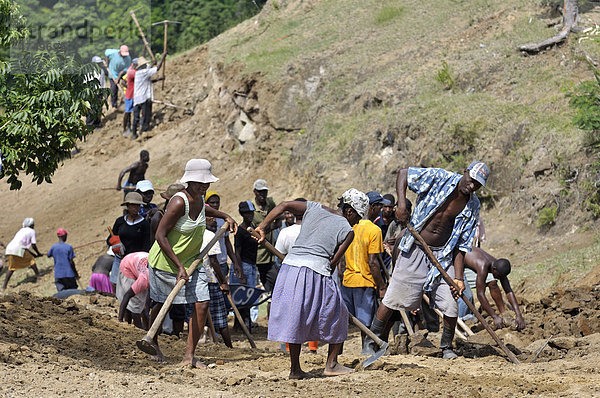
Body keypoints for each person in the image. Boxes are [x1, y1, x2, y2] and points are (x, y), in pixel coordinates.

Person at [367, 161, 489, 359]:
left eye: (478, 185)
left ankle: (446, 347)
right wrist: (401, 204)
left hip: (442, 254)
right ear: (465, 172)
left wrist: (458, 277)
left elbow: (461, 245)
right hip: (415, 245)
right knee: (392, 299)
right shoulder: (440, 178)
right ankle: (372, 342)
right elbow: (404, 173)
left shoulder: (473, 205)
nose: (472, 186)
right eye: (472, 180)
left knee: (451, 304)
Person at [256, 190, 362, 379]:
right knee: (339, 313)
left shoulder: (314, 207)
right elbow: (332, 263)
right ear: (350, 212)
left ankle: (295, 369)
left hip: (289, 268)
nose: (358, 223)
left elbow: (283, 205)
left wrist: (263, 227)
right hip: (315, 271)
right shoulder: (348, 231)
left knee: (296, 318)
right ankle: (331, 364)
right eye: (358, 218)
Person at [146, 159, 237, 367]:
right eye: (199, 182)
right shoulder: (179, 202)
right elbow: (160, 235)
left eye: (206, 183)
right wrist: (179, 266)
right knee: (161, 305)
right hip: (165, 263)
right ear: (189, 180)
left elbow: (206, 211)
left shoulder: (198, 199)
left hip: (192, 261)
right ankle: (154, 343)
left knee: (202, 304)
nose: (204, 186)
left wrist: (226, 215)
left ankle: (189, 355)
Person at [340, 190, 386, 354]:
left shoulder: (347, 226)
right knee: (365, 321)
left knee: (343, 321)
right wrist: (381, 286)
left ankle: (337, 352)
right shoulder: (374, 231)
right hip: (365, 281)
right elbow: (373, 263)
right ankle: (366, 349)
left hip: (347, 280)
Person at [463, 247, 526, 330]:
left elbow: (508, 291)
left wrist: (518, 314)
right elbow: (480, 294)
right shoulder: (483, 266)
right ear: (494, 269)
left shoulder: (498, 265)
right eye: (499, 276)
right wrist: (494, 316)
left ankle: (503, 313)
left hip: (471, 263)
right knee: (467, 295)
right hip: (457, 263)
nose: (500, 278)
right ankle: (464, 321)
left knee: (493, 282)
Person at [108, 192, 152, 288]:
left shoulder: (144, 224)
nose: (136, 208)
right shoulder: (120, 222)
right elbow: (109, 239)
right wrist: (115, 244)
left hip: (135, 261)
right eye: (133, 205)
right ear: (127, 206)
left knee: (133, 286)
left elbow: (147, 244)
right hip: (120, 259)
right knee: (116, 284)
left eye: (138, 206)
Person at [203, 217, 233, 348]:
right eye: (210, 218)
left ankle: (211, 341)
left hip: (197, 279)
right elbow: (214, 261)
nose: (214, 220)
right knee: (220, 317)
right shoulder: (210, 236)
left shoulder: (193, 233)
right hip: (210, 280)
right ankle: (229, 347)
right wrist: (223, 281)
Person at [252, 179, 280, 305]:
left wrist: (269, 227)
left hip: (270, 254)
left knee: (275, 286)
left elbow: (279, 220)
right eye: (260, 192)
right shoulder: (251, 208)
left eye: (265, 192)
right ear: (255, 192)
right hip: (257, 255)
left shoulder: (270, 203)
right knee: (256, 289)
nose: (262, 195)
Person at [231, 200, 258, 330]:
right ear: (242, 214)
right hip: (244, 265)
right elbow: (237, 252)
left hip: (252, 265)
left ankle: (245, 322)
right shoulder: (240, 231)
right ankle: (242, 323)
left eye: (251, 213)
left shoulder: (252, 229)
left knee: (248, 296)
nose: (250, 216)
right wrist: (240, 271)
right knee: (243, 296)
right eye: (247, 213)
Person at [205, 191, 243, 280]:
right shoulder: (202, 220)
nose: (215, 205)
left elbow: (227, 242)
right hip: (208, 263)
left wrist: (235, 262)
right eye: (212, 203)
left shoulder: (223, 221)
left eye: (217, 202)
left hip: (222, 262)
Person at [3, 218, 43, 291]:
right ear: (32, 225)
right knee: (31, 261)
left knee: (11, 267)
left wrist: (34, 254)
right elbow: (33, 245)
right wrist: (38, 253)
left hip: (9, 248)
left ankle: (4, 286)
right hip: (18, 248)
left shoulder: (21, 230)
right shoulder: (32, 231)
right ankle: (38, 277)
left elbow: (24, 247)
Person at [132, 54, 166, 139]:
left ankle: (134, 134)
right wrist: (163, 57)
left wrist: (159, 79)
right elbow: (157, 69)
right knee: (146, 114)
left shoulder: (139, 73)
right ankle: (145, 131)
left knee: (136, 117)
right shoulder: (144, 72)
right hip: (143, 97)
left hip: (137, 98)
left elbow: (148, 81)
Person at [117, 251, 150, 330]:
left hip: (135, 258)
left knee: (142, 300)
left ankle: (134, 324)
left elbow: (147, 300)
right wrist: (119, 321)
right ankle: (136, 326)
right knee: (136, 303)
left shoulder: (157, 272)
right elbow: (127, 295)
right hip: (127, 266)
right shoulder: (144, 280)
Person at [48, 228, 78, 292]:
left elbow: (49, 255)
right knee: (74, 292)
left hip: (58, 275)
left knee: (62, 294)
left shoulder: (54, 247)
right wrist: (76, 273)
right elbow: (71, 262)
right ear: (64, 236)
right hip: (69, 274)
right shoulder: (69, 247)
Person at [86, 56, 107, 128]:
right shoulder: (89, 72)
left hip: (99, 92)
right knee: (91, 109)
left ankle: (97, 124)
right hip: (91, 93)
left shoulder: (101, 71)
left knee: (99, 109)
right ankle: (89, 125)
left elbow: (103, 82)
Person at [123, 58, 138, 137]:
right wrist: (129, 87)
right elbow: (123, 81)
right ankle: (125, 128)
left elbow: (123, 81)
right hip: (130, 95)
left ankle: (130, 127)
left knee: (133, 112)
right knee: (128, 112)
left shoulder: (131, 68)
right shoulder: (132, 71)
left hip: (133, 94)